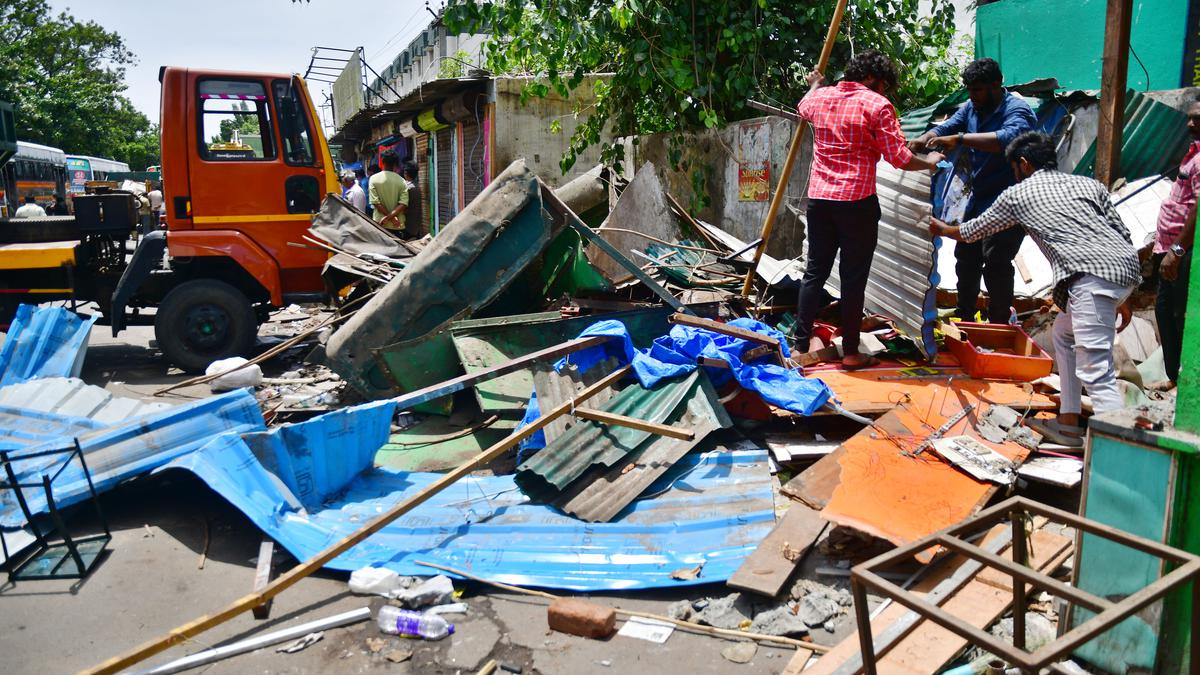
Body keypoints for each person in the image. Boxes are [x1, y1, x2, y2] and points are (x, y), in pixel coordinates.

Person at [929, 132, 1140, 446]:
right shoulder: (1089, 185)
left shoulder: (1018, 194)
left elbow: (974, 231)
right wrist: (1121, 294)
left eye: (1015, 167)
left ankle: (1120, 457)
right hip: (1121, 272)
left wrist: (941, 228)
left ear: (1023, 164)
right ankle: (1068, 423)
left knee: (1097, 371)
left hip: (1089, 280)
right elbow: (1121, 233)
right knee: (1064, 335)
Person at [793, 49, 945, 370]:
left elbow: (803, 106)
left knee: (814, 272)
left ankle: (800, 345)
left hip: (820, 201)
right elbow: (900, 158)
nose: (885, 92)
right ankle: (850, 352)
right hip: (857, 204)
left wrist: (814, 83)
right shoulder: (877, 105)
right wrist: (930, 163)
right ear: (875, 80)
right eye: (885, 85)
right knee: (852, 279)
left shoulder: (821, 99)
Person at [911, 58, 1038, 324]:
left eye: (978, 90)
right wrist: (926, 137)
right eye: (969, 90)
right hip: (978, 198)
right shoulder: (972, 106)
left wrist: (958, 140)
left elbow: (1007, 139)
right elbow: (949, 126)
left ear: (996, 84)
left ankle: (999, 324)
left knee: (996, 261)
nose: (972, 96)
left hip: (1010, 201)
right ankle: (965, 314)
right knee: (966, 256)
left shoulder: (1017, 110)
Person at [1151, 98, 1200, 386]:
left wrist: (1177, 251)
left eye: (1197, 118)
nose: (1190, 123)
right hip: (1173, 251)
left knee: (1179, 316)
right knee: (1166, 312)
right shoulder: (1192, 154)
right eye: (1190, 117)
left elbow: (1198, 208)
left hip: (1185, 253)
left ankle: (1185, 384)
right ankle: (1175, 380)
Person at [368, 150, 409, 234]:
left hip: (379, 224)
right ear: (395, 164)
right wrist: (392, 218)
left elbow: (375, 202)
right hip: (397, 225)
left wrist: (388, 218)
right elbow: (403, 204)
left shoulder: (373, 179)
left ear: (382, 162)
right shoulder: (402, 181)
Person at [401, 160, 424, 239]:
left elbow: (404, 207)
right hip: (416, 224)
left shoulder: (407, 188)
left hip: (408, 225)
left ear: (405, 173)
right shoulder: (416, 186)